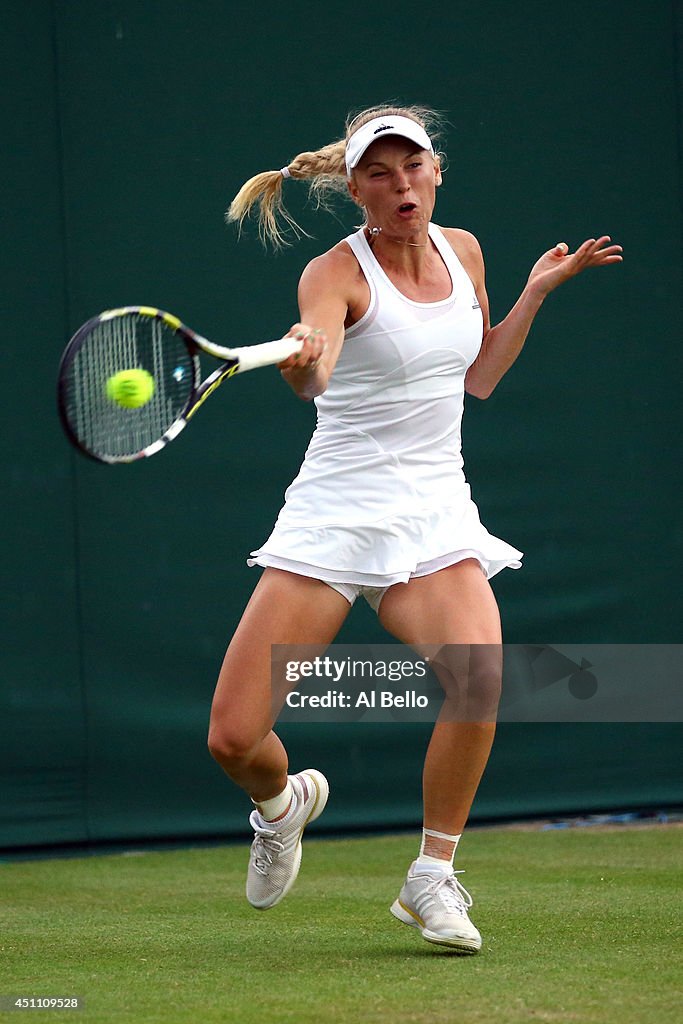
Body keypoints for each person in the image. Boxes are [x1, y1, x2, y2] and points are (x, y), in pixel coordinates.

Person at [208, 105, 622, 953]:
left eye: (414, 167)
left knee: (480, 678)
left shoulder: (463, 249)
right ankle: (282, 807)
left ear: (435, 170)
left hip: (433, 508)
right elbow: (313, 373)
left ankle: (431, 876)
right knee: (233, 739)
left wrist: (533, 294)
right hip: (334, 511)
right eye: (381, 173)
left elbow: (475, 378)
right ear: (355, 187)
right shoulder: (333, 273)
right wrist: (306, 353)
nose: (401, 185)